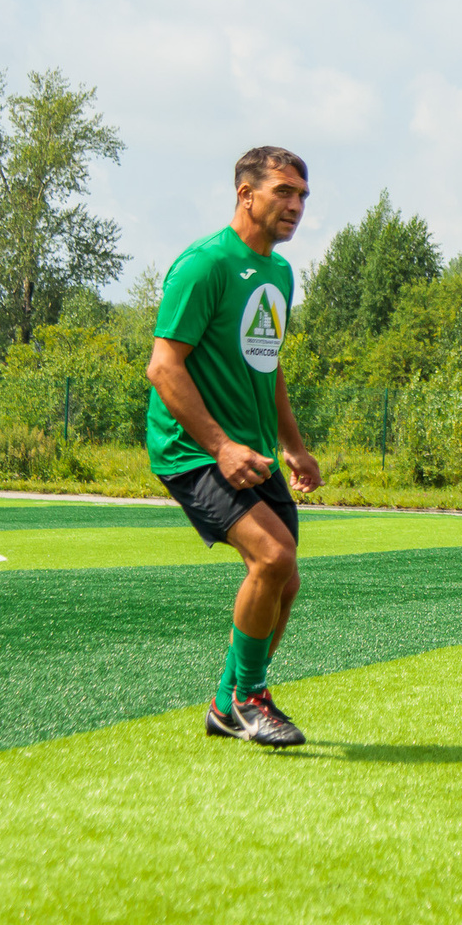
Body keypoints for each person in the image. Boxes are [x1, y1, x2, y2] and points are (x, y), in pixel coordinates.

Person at [144, 146, 324, 748]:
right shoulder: (203, 266)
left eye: (301, 195)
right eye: (283, 192)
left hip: (251, 448)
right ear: (245, 194)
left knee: (286, 577)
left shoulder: (279, 273)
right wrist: (219, 446)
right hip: (193, 448)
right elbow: (164, 368)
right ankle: (249, 699)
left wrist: (293, 446)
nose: (295, 206)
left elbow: (266, 367)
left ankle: (226, 705)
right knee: (272, 558)